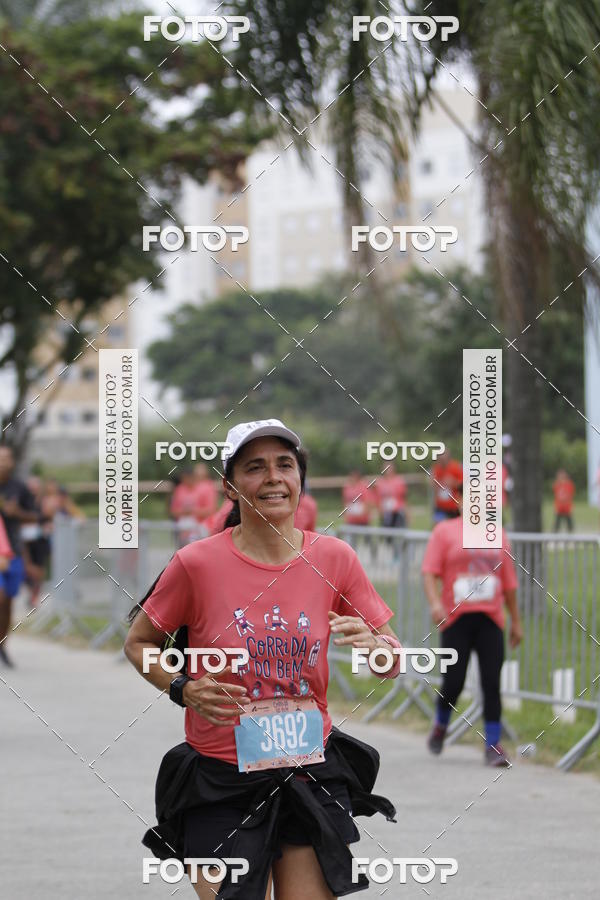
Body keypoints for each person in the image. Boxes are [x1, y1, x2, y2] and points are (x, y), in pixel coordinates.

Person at [125, 419, 401, 899]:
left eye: (285, 465)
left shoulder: (335, 558)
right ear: (230, 486)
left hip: (307, 770)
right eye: (255, 467)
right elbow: (139, 642)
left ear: (300, 480)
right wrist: (181, 687)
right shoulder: (197, 563)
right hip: (220, 779)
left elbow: (392, 658)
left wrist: (378, 651)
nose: (273, 477)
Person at [421, 483, 522, 766]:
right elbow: (429, 572)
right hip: (456, 619)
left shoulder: (498, 533)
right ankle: (441, 724)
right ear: (458, 500)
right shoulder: (444, 532)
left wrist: (516, 621)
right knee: (454, 681)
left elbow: (509, 583)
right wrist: (435, 603)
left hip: (491, 618)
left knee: (492, 681)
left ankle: (493, 745)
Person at [0, 446, 43, 666]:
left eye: (8, 458)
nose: (5, 462)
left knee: (7, 602)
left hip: (14, 552)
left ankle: (3, 645)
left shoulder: (19, 488)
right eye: (1, 458)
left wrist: (17, 514)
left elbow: (37, 517)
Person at [431, 449, 462, 523]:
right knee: (439, 527)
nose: (442, 460)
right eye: (440, 458)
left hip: (454, 508)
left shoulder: (456, 467)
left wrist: (453, 483)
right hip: (440, 507)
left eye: (443, 457)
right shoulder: (436, 468)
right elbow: (434, 485)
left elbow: (463, 485)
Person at [375, 464, 407, 528]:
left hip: (396, 513)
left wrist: (406, 512)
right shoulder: (380, 482)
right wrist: (380, 511)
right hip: (385, 513)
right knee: (387, 534)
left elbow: (403, 498)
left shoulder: (399, 481)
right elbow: (378, 499)